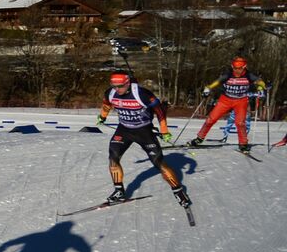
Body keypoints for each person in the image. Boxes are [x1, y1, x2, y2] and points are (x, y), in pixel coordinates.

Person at [96, 72, 190, 208]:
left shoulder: (141, 94)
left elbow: (159, 110)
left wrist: (164, 130)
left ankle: (178, 191)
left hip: (144, 131)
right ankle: (119, 192)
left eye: (120, 86)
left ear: (128, 83)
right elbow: (106, 103)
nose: (117, 89)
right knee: (113, 157)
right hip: (124, 130)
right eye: (114, 86)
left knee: (158, 163)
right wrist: (102, 116)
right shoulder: (111, 93)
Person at [190, 56, 268, 152]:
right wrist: (208, 88)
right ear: (232, 66)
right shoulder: (228, 74)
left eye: (239, 68)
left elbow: (260, 83)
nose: (237, 71)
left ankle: (243, 144)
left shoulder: (249, 75)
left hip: (241, 101)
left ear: (244, 67)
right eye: (235, 68)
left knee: (240, 123)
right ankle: (199, 138)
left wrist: (261, 90)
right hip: (225, 100)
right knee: (211, 119)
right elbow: (216, 82)